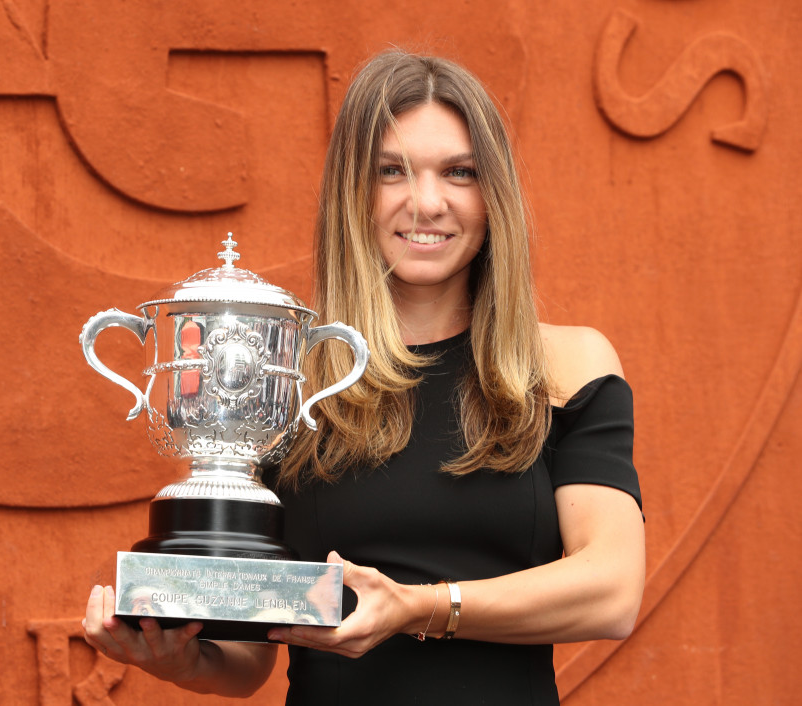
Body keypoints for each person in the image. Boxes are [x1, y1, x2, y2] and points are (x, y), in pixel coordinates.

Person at [83, 49, 645, 704]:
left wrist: (418, 608)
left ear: (494, 196)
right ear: (355, 193)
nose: (427, 202)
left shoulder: (566, 365)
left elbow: (612, 592)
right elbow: (248, 655)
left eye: (459, 172)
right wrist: (176, 656)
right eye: (392, 172)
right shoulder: (289, 373)